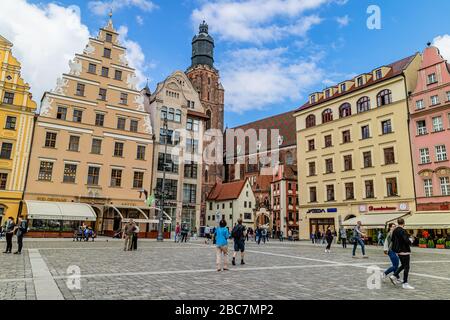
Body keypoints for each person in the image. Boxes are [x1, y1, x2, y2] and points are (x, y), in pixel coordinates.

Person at [390, 218, 415, 289]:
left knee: (403, 265)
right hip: (404, 250)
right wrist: (411, 241)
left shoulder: (395, 230)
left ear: (398, 223)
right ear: (404, 223)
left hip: (398, 251)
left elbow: (392, 240)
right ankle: (405, 283)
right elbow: (406, 241)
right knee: (407, 266)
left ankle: (394, 275)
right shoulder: (403, 231)